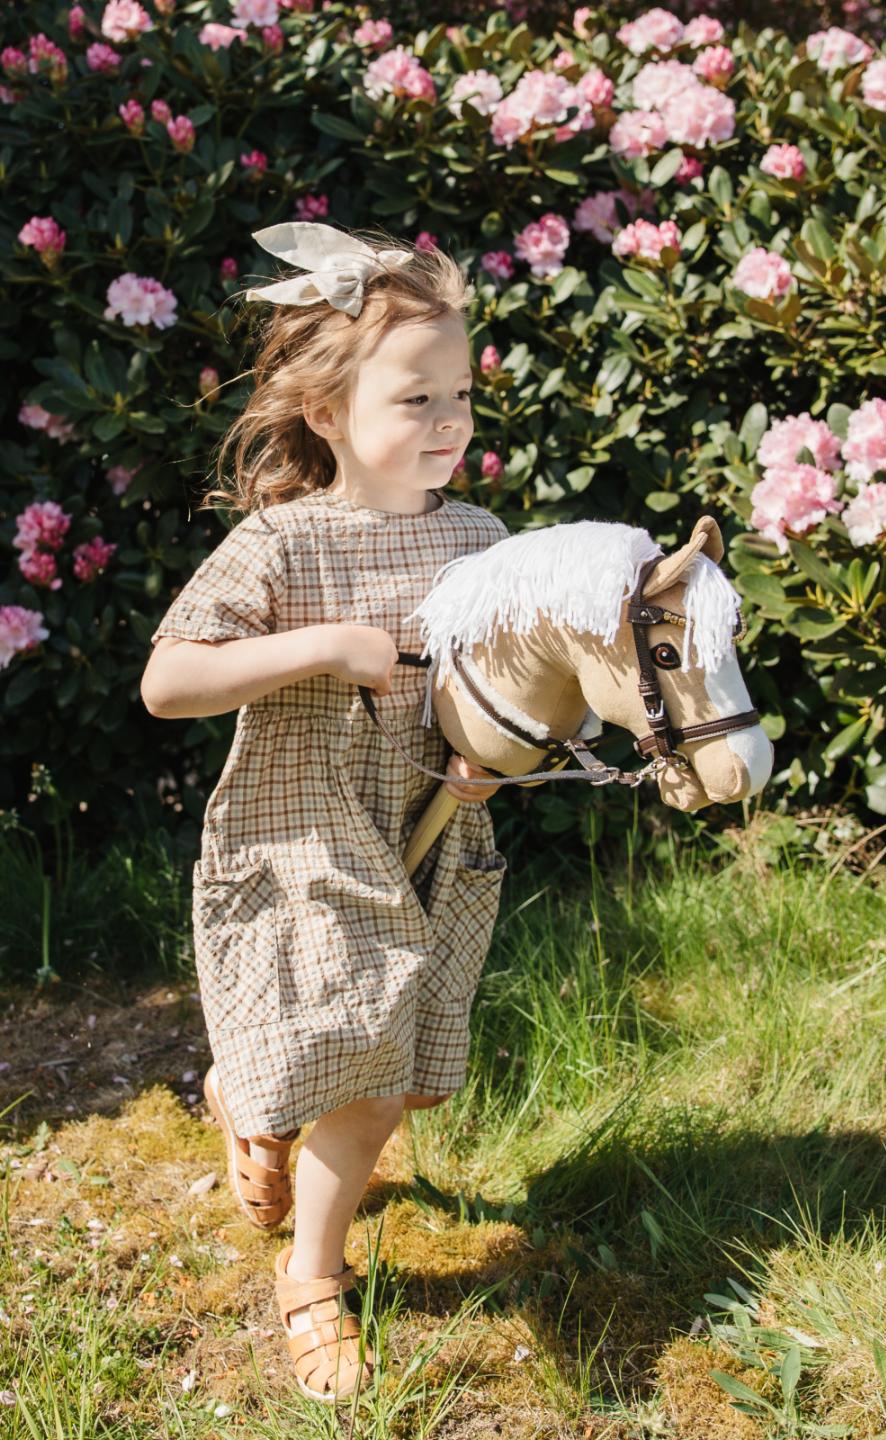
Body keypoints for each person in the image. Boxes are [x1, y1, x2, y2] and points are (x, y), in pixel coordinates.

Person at [139, 221, 509, 1405]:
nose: (447, 422)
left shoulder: (484, 543)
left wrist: (486, 763)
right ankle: (271, 1162)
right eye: (416, 398)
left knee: (385, 1073)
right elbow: (168, 683)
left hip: (429, 842)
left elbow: (501, 688)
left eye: (459, 394)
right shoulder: (282, 542)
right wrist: (319, 647)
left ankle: (307, 1253)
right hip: (301, 838)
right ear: (329, 411)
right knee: (321, 1050)